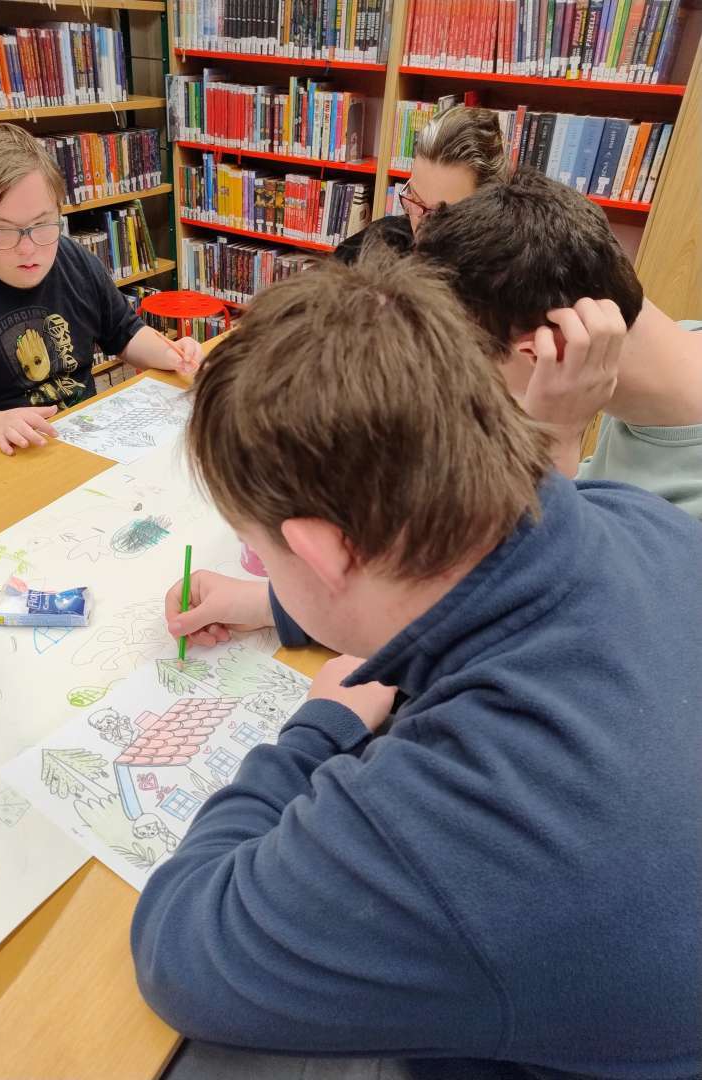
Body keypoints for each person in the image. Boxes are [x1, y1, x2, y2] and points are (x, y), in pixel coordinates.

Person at [132, 253, 701, 1080]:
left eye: (260, 555)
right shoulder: (636, 518)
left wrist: (316, 729)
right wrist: (276, 605)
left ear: (321, 551)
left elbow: (182, 947)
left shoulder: (452, 823)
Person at [0, 123, 202, 465]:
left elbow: (124, 333)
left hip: (82, 442)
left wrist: (170, 355)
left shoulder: (72, 259)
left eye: (42, 224)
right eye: (2, 229)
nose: (28, 249)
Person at [416, 166, 702, 509]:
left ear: (550, 351)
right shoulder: (668, 356)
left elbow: (544, 538)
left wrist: (554, 446)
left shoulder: (687, 515)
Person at [335, 104, 508, 264]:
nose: (420, 229)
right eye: (415, 198)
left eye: (440, 215)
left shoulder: (505, 276)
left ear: (487, 211)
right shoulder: (371, 247)